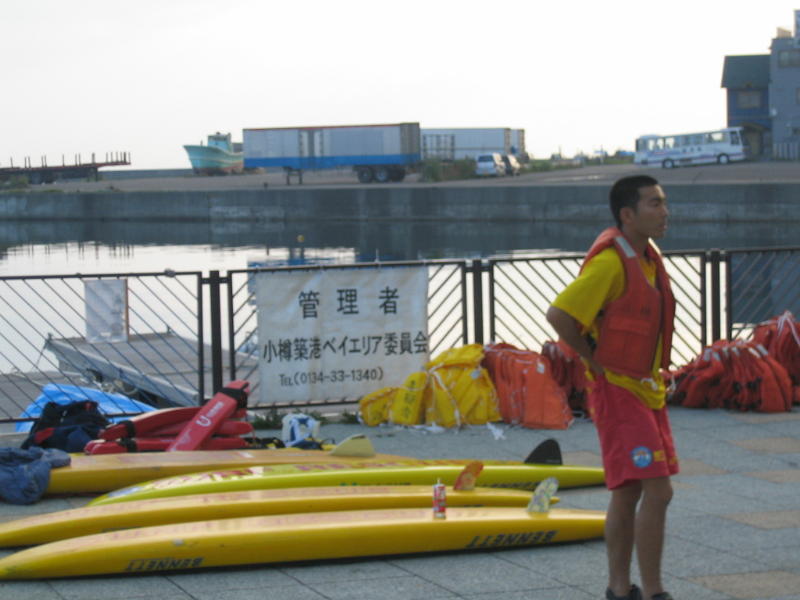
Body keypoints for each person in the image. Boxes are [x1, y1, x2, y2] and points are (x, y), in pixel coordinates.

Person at [546, 175, 678, 600]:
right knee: (659, 490)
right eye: (654, 204)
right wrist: (593, 361)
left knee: (628, 491)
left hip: (645, 388)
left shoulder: (647, 258)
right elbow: (559, 315)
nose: (664, 212)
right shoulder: (610, 263)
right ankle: (655, 592)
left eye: (664, 202)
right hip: (619, 393)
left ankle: (619, 589)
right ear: (627, 215)